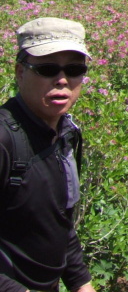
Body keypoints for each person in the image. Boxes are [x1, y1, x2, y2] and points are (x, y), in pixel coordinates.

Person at [1, 18, 96, 292]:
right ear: (20, 72)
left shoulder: (63, 133)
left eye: (75, 69)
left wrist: (81, 284)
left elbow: (57, 221)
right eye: (46, 69)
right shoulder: (4, 140)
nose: (63, 80)